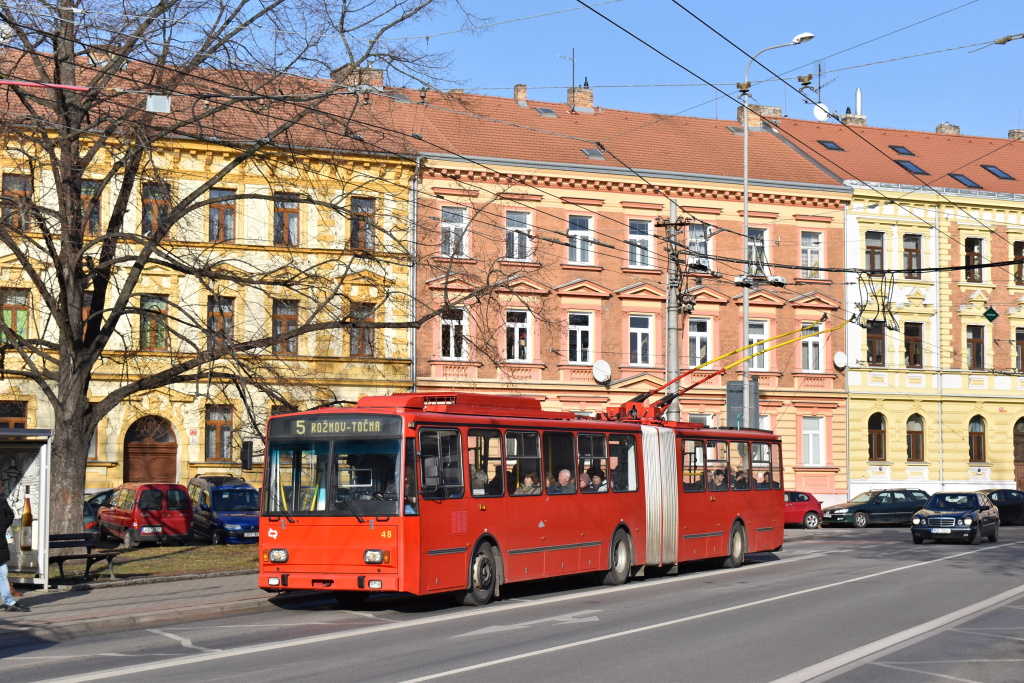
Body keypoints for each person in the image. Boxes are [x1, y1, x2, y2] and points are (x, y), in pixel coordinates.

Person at [0, 491, 29, 613]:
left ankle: (9, 602)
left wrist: (2, 526)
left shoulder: (2, 500)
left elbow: (10, 515)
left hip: (0, 544)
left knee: (3, 573)